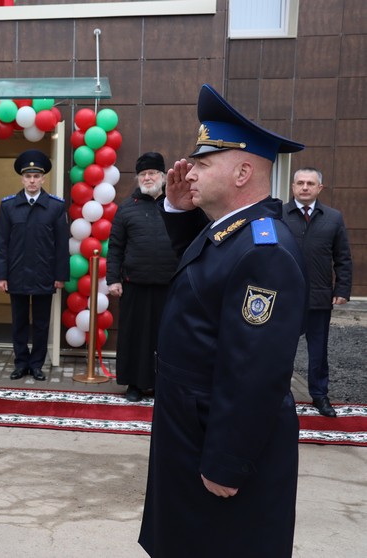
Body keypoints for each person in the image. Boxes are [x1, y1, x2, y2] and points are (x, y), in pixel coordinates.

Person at [138, 84, 308, 557]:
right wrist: (177, 210)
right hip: (192, 427)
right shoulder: (231, 232)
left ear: (242, 172)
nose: (188, 171)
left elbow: (255, 370)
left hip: (217, 441)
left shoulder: (264, 250)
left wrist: (228, 461)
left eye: (204, 163)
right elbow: (202, 272)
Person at [106, 152, 178, 402]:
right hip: (134, 285)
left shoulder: (177, 206)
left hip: (170, 286)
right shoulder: (126, 208)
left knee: (166, 338)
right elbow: (115, 247)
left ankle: (161, 384)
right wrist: (113, 279)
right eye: (143, 174)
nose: (148, 178)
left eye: (152, 173)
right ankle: (134, 384)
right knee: (134, 337)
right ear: (138, 178)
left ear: (163, 176)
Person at [282, 167, 352, 417]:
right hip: (285, 298)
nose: (304, 187)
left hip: (319, 297)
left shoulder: (333, 218)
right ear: (292, 186)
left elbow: (342, 257)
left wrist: (342, 288)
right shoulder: (279, 215)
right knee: (281, 349)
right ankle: (279, 394)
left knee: (318, 352)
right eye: (300, 183)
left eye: (310, 183)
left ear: (319, 188)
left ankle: (320, 396)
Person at [0, 149, 69, 381]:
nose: (32, 181)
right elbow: (1, 243)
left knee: (41, 323)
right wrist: (1, 276)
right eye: (28, 176)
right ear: (22, 179)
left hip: (44, 274)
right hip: (16, 274)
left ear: (43, 179)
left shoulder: (55, 206)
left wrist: (60, 275)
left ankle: (36, 364)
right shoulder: (8, 206)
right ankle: (20, 363)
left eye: (36, 176)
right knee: (19, 323)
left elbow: (61, 245)